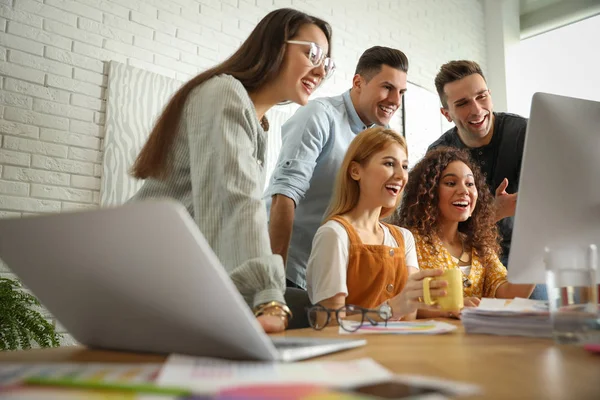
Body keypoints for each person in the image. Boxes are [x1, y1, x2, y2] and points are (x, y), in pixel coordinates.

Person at [129, 8, 334, 332]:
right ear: (275, 45)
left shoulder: (258, 126)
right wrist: (267, 296)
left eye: (327, 63)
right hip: (142, 271)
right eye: (313, 54)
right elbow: (235, 199)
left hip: (171, 276)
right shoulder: (224, 93)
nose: (320, 70)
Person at [266, 46, 409, 290]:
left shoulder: (382, 136)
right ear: (358, 82)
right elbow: (285, 194)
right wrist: (273, 281)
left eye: (401, 92)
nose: (395, 101)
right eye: (387, 87)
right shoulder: (318, 116)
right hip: (289, 265)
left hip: (335, 271)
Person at [428, 60, 546, 300]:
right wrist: (493, 213)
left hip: (523, 253)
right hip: (468, 255)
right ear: (446, 113)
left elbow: (550, 202)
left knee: (536, 317)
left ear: (490, 95)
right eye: (462, 103)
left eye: (481, 97)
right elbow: (439, 227)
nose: (476, 109)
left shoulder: (525, 133)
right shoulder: (439, 153)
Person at [306, 127, 445, 322]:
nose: (401, 176)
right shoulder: (334, 234)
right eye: (389, 163)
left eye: (404, 166)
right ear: (355, 171)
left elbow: (409, 317)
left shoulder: (404, 238)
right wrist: (391, 309)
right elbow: (329, 324)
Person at [395, 147, 535, 317]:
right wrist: (452, 308)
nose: (464, 191)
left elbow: (508, 294)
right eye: (451, 183)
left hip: (474, 340)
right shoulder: (409, 241)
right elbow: (401, 304)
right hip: (429, 341)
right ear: (429, 192)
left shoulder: (477, 245)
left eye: (470, 184)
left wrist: (537, 255)